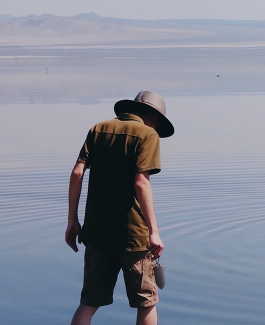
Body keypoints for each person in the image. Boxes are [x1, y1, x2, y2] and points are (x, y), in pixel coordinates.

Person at [65, 91, 175, 325]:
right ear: (154, 118)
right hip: (132, 235)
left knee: (89, 302)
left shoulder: (98, 129)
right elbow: (141, 182)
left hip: (96, 232)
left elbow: (77, 173)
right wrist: (154, 231)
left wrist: (72, 221)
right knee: (146, 302)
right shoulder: (147, 135)